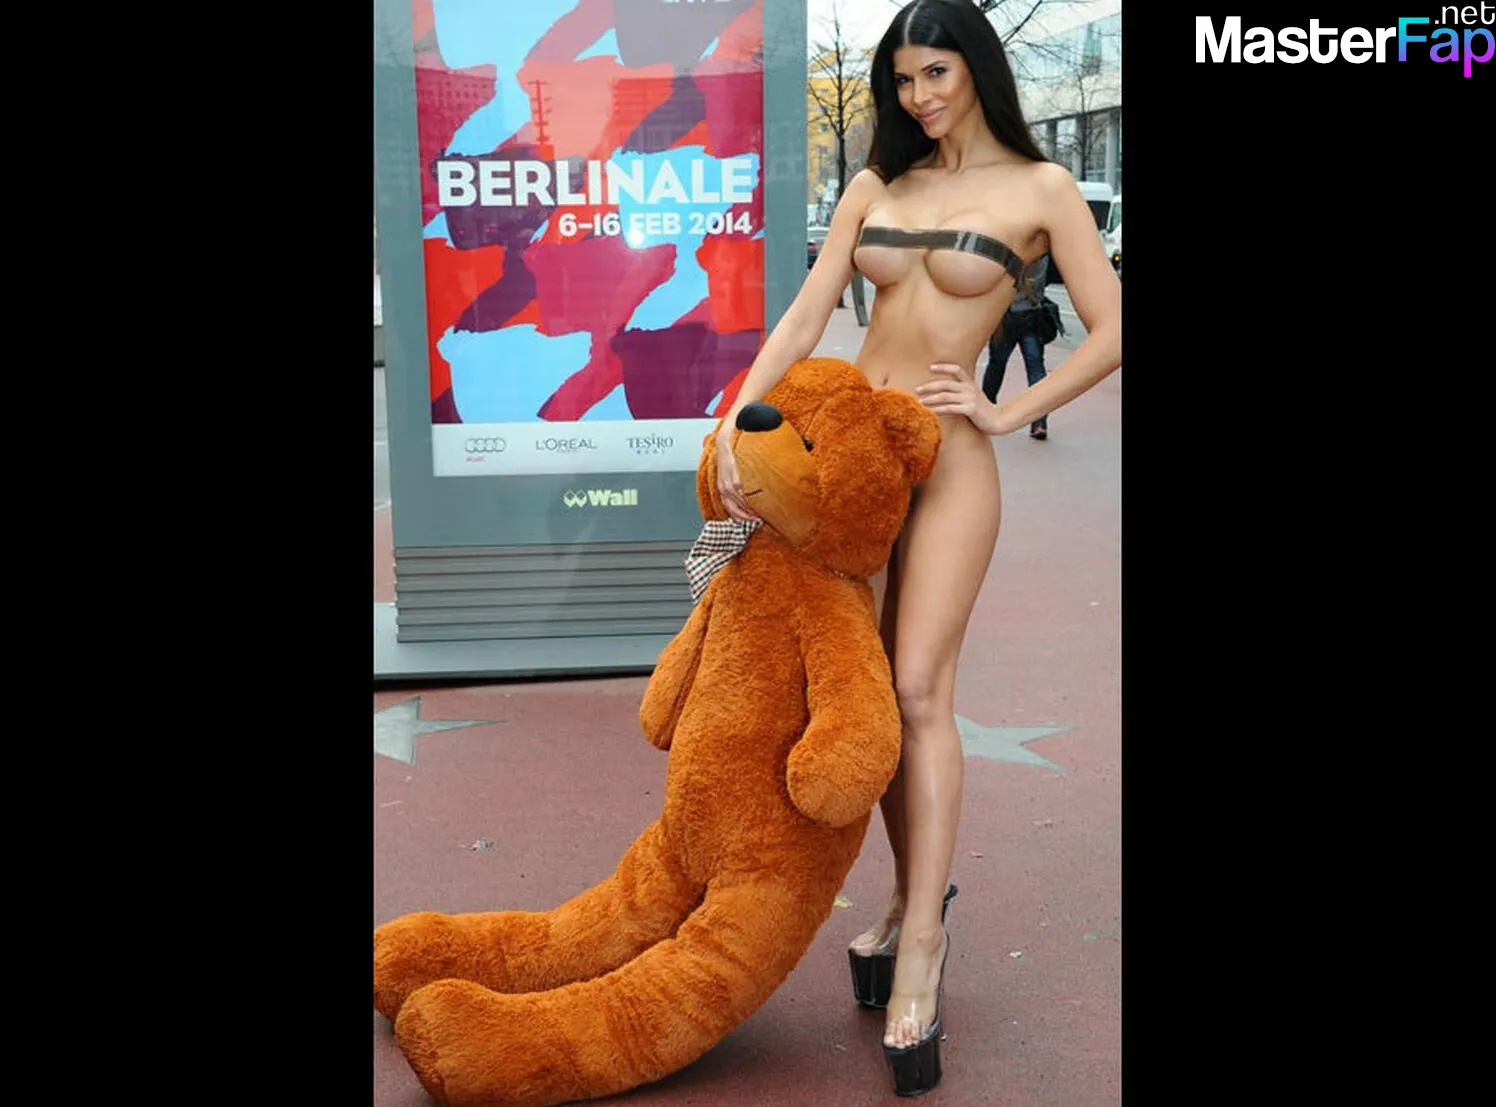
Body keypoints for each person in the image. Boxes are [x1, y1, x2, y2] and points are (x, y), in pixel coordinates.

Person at [713, 0, 1120, 1093]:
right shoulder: (874, 187)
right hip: (852, 467)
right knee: (871, 703)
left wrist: (1007, 408)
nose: (917, 95)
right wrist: (737, 423)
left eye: (934, 72)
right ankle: (906, 896)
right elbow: (806, 317)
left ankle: (924, 949)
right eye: (901, 79)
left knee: (918, 687)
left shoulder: (1040, 189)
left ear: (975, 68)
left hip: (950, 462)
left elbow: (1115, 323)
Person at [983, 252, 1054, 439]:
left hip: (1007, 315)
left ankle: (986, 409)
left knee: (996, 364)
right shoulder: (1042, 255)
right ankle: (1039, 422)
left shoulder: (1011, 251)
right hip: (1031, 315)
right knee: (1035, 367)